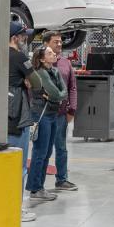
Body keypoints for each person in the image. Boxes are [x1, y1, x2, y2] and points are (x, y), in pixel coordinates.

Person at [26, 45, 68, 205]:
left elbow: (61, 93)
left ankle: (40, 187)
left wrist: (57, 96)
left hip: (52, 114)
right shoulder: (41, 73)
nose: (54, 54)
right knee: (40, 152)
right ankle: (35, 188)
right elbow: (56, 93)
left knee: (48, 151)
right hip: (41, 114)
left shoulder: (55, 71)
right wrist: (57, 96)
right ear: (42, 59)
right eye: (49, 53)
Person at [6, 20, 38, 222]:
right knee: (19, 166)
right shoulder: (19, 57)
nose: (25, 40)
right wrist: (27, 81)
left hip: (2, 117)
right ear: (15, 38)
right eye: (23, 37)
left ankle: (3, 206)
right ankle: (15, 210)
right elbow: (37, 82)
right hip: (17, 117)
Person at [42, 31, 78, 192]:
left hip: (61, 114)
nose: (59, 44)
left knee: (61, 148)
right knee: (43, 150)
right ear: (46, 44)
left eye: (60, 41)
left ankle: (62, 179)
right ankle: (38, 184)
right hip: (44, 114)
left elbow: (72, 88)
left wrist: (72, 109)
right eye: (55, 41)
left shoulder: (65, 63)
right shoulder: (38, 64)